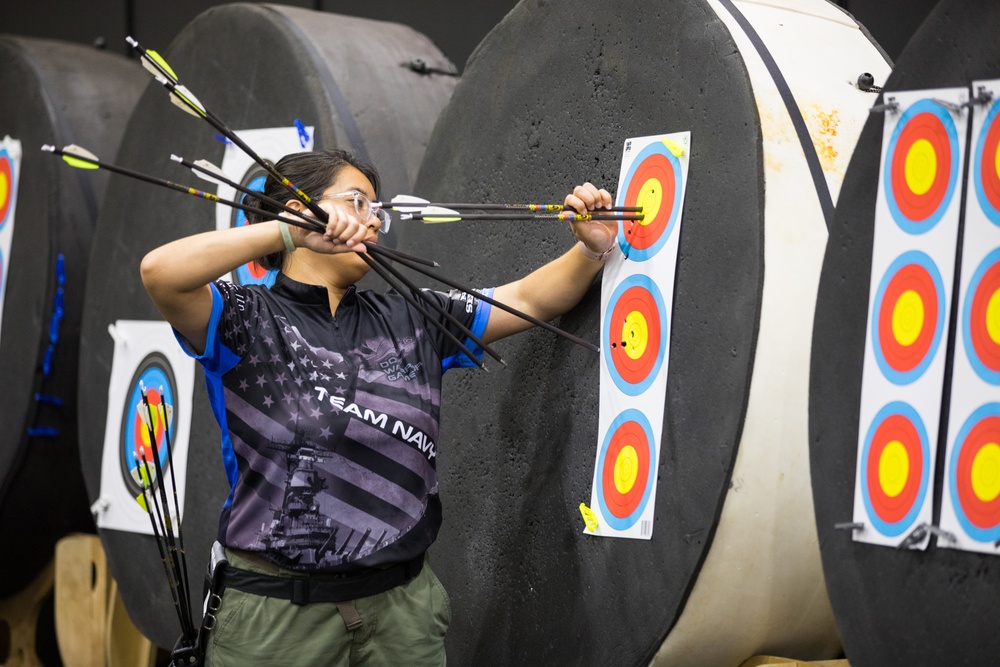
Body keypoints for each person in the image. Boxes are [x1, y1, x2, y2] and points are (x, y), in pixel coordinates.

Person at [140, 148, 616, 666]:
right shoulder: (244, 318)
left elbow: (526, 300)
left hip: (402, 610)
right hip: (276, 617)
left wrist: (589, 251)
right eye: (357, 202)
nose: (372, 222)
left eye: (376, 211)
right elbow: (160, 273)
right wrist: (288, 231)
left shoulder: (412, 314)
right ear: (299, 208)